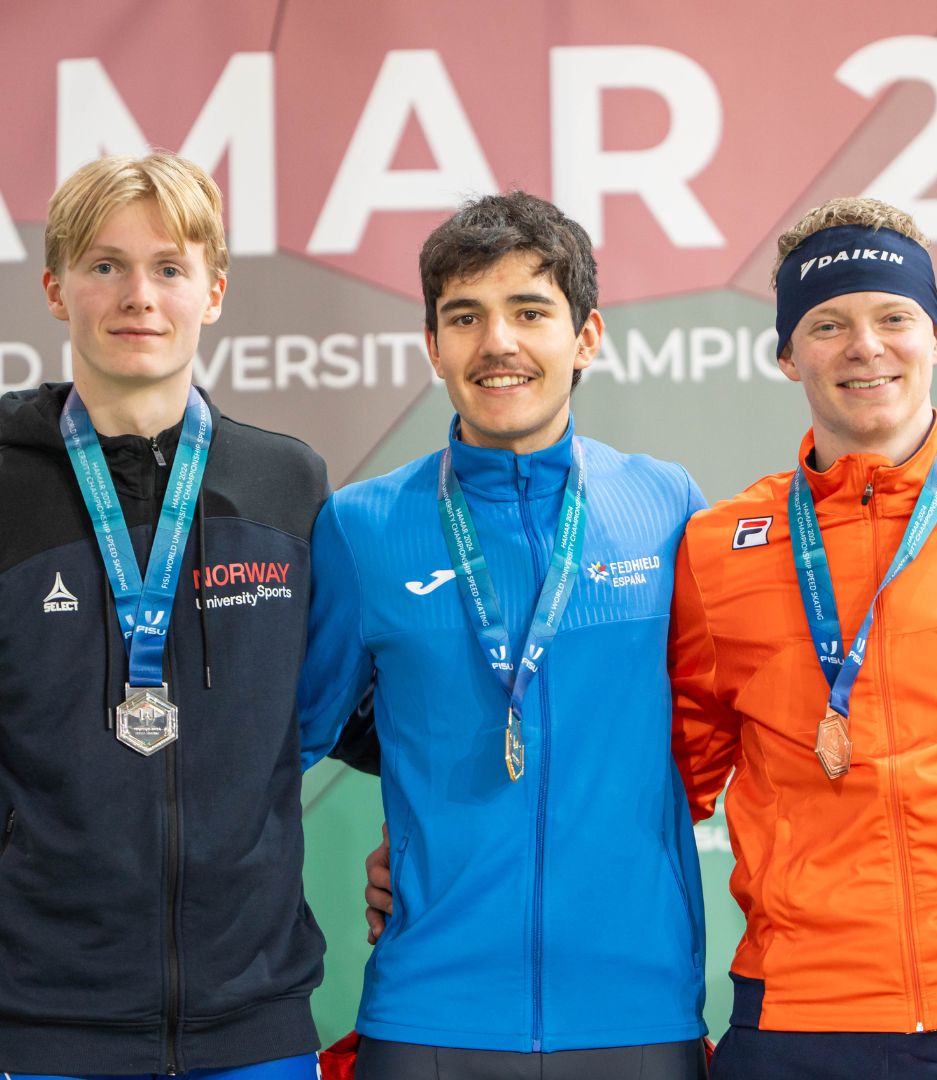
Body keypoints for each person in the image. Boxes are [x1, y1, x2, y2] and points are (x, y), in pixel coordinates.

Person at [296, 191, 708, 1080]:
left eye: (530, 311)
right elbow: (291, 737)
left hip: (638, 1005)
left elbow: (724, 727)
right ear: (433, 345)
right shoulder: (362, 526)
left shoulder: (666, 507)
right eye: (466, 316)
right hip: (429, 1008)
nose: (499, 344)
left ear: (586, 335)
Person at [0, 154, 327, 1079]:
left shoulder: (285, 483)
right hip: (37, 1023)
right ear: (57, 289)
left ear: (214, 292)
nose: (137, 295)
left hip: (254, 1023)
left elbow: (338, 702)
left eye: (169, 268)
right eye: (105, 266)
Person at [668, 195, 937, 1079]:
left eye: (893, 318)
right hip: (797, 1016)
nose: (865, 347)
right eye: (828, 325)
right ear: (788, 353)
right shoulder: (719, 545)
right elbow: (665, 783)